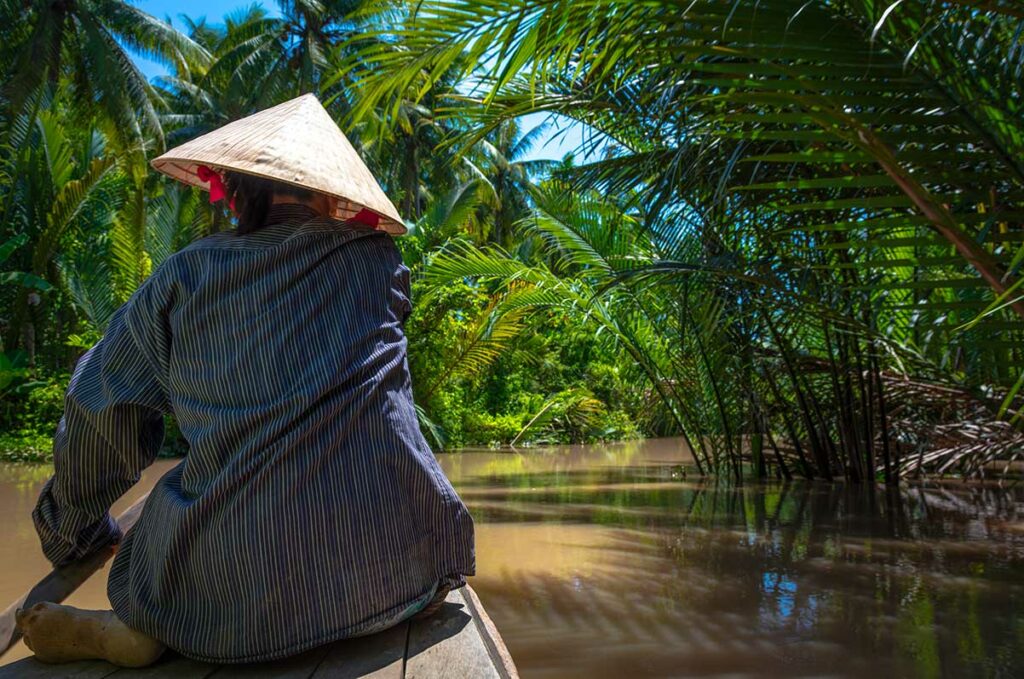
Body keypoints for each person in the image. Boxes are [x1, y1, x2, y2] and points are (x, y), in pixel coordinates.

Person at [16, 94, 475, 667]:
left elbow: (101, 408)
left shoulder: (187, 272)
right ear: (335, 196)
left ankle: (140, 628)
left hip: (228, 601)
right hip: (401, 572)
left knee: (188, 519)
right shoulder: (378, 261)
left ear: (232, 190)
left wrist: (75, 532)